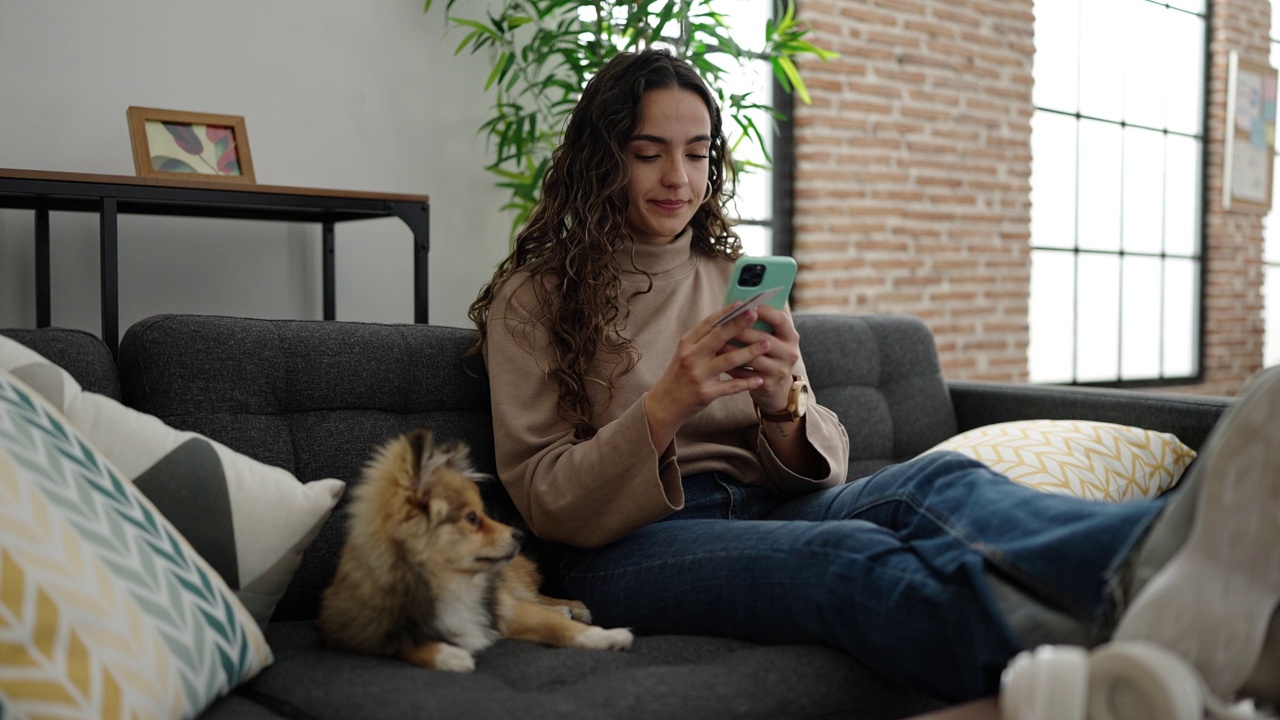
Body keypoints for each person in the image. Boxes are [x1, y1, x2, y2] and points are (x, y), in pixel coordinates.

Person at [468, 46, 1280, 706]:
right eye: (649, 154)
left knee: (938, 484)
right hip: (621, 552)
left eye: (696, 153)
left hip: (769, 505)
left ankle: (1166, 562)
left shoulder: (729, 276)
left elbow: (818, 453)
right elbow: (546, 498)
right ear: (601, 158)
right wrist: (667, 404)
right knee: (850, 556)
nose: (679, 179)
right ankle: (1098, 673)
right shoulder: (533, 300)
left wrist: (783, 401)